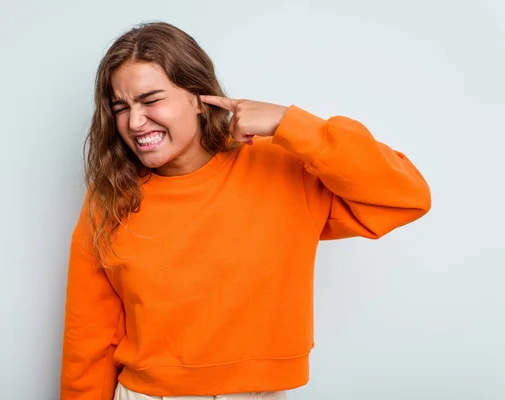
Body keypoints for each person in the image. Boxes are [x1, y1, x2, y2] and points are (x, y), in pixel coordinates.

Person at [60, 21, 431, 400]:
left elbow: (406, 196)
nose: (134, 122)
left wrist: (291, 123)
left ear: (198, 98)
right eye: (121, 107)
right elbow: (89, 336)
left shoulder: (281, 167)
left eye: (151, 100)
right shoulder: (111, 196)